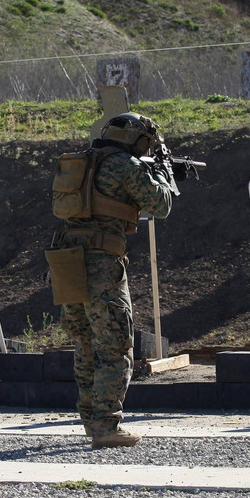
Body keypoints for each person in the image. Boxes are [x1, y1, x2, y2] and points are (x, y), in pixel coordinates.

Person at [55, 113, 174, 448]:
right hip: (101, 262)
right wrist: (163, 176)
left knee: (85, 343)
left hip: (66, 260)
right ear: (136, 140)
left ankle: (91, 420)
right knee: (115, 345)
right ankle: (107, 426)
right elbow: (159, 205)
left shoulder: (82, 163)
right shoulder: (125, 165)